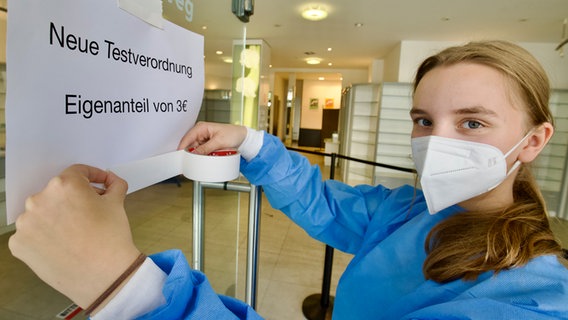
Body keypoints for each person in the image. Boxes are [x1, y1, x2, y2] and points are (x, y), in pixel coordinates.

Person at [9, 40, 568, 319]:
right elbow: (323, 203)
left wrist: (131, 291)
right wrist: (252, 143)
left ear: (536, 139)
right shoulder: (409, 210)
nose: (436, 142)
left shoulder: (533, 298)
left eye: (472, 123)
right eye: (424, 121)